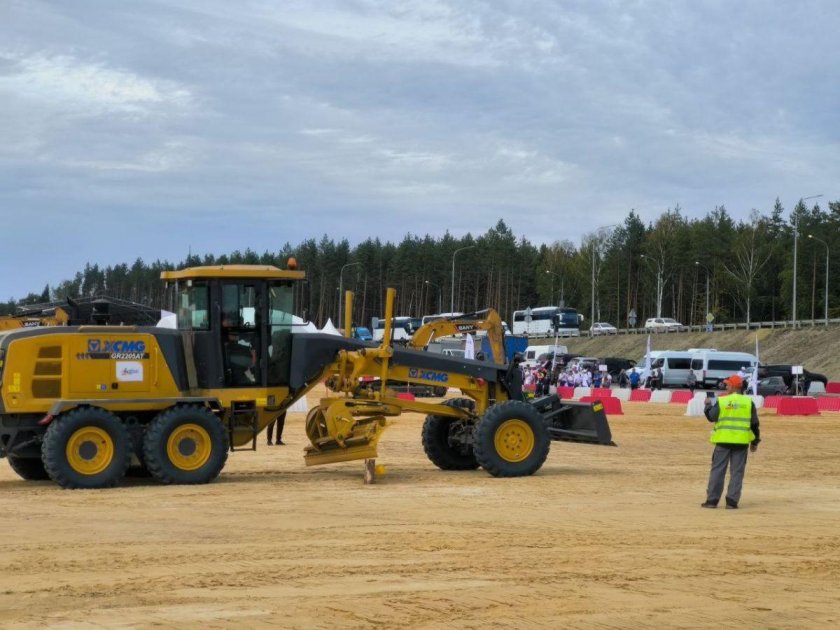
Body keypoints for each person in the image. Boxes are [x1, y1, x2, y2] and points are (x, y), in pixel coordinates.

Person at [701, 375, 761, 509]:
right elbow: (755, 424)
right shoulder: (748, 402)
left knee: (717, 471)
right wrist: (755, 442)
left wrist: (707, 405)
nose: (726, 387)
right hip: (741, 442)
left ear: (734, 386)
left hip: (723, 441)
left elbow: (712, 417)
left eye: (727, 385)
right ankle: (732, 502)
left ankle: (712, 500)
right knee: (737, 472)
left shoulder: (722, 401)